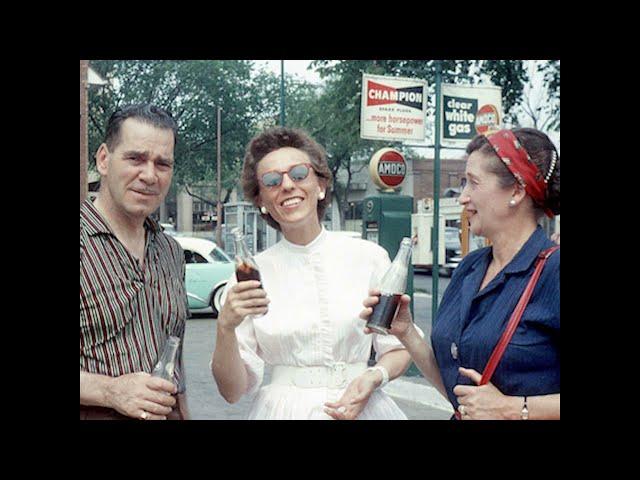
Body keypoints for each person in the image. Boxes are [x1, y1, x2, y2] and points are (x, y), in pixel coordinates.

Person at [211, 127, 417, 420]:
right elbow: (232, 391)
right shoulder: (250, 276)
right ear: (262, 203)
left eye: (298, 173)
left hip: (364, 408)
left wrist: (375, 376)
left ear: (320, 185)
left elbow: (399, 346)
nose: (287, 185)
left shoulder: (369, 258)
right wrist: (225, 328)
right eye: (271, 180)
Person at [361, 127, 560, 420]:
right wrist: (406, 332)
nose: (463, 197)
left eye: (473, 183)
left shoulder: (553, 272)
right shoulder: (470, 267)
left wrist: (514, 408)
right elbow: (459, 392)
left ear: (516, 190)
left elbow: (494, 408)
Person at [80, 104, 190, 420]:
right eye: (135, 158)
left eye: (162, 163)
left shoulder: (170, 251)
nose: (149, 175)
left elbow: (175, 357)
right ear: (103, 159)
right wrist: (110, 390)